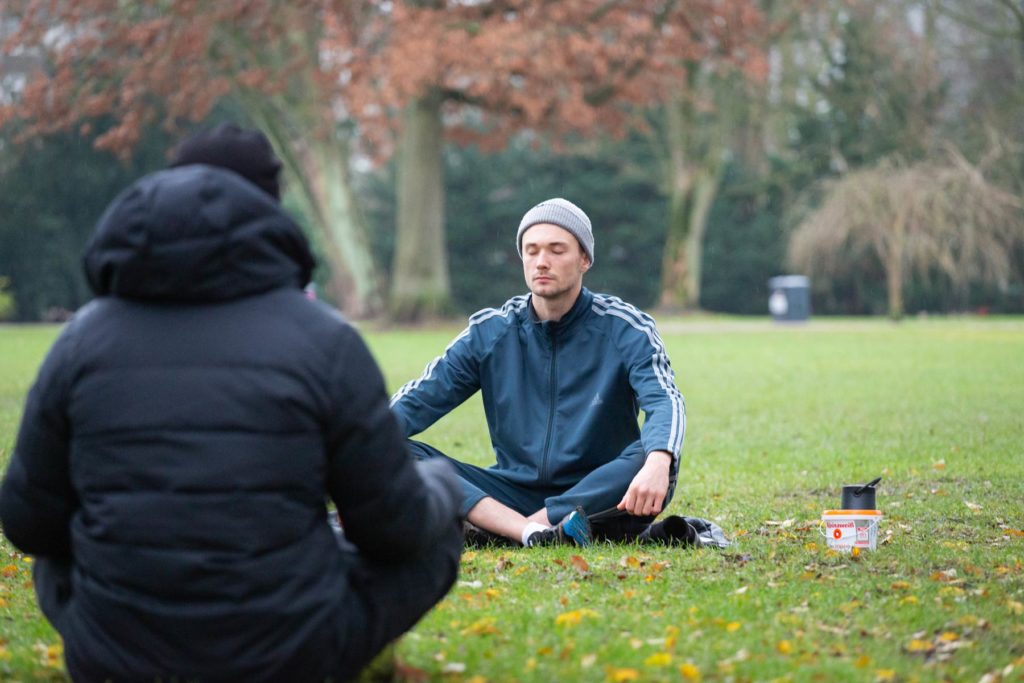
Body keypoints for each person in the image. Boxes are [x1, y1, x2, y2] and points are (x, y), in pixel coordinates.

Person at [0, 124, 462, 682]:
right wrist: (444, 486)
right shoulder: (324, 339)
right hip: (292, 655)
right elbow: (395, 528)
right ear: (268, 208)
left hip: (114, 657)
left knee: (59, 551)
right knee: (437, 529)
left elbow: (28, 523)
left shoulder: (80, 341)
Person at [390, 198, 686, 548]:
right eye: (531, 251)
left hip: (598, 491)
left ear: (584, 259)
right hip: (509, 491)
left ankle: (520, 527)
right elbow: (415, 402)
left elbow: (664, 400)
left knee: (651, 456)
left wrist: (659, 460)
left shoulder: (625, 328)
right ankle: (528, 532)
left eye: (556, 250)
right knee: (393, 448)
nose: (541, 262)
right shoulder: (490, 333)